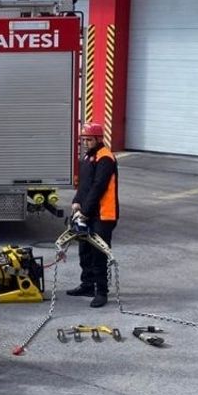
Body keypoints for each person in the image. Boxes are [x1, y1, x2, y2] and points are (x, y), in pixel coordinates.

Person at [66, 122, 119, 308]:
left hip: (103, 215)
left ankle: (101, 292)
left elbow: (98, 187)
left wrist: (85, 212)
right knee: (84, 251)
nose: (85, 143)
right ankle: (88, 285)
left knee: (99, 253)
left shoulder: (105, 158)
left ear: (98, 139)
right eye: (83, 140)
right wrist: (76, 201)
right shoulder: (89, 157)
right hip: (89, 212)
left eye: (88, 139)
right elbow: (84, 185)